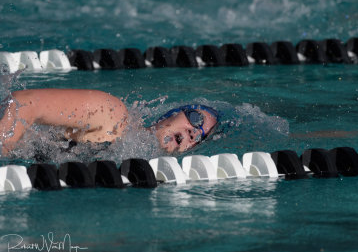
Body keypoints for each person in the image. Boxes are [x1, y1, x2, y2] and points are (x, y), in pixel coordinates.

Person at [0, 89, 219, 155]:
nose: (194, 132)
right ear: (169, 115)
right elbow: (26, 103)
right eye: (196, 119)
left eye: (200, 137)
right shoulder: (113, 115)